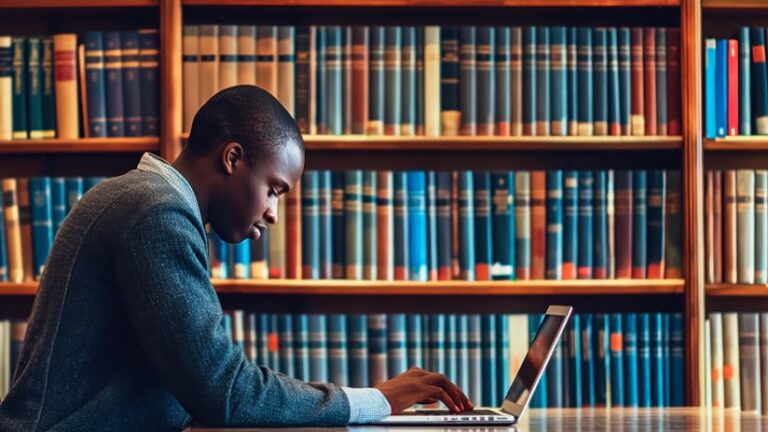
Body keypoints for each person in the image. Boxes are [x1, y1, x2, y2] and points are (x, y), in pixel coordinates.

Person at [0, 85, 472, 431]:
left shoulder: (142, 199)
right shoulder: (155, 214)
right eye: (273, 189)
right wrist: (377, 399)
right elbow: (224, 391)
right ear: (232, 158)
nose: (272, 213)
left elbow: (196, 386)